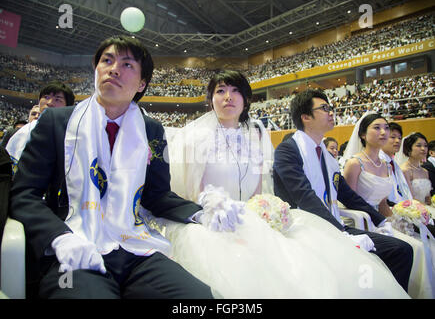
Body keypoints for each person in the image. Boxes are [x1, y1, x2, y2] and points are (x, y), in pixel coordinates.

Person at [165, 72, 408, 298]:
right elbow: (186, 189)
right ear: (211, 99)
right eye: (220, 91)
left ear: (246, 99)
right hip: (210, 222)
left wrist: (262, 212)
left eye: (235, 91)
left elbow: (259, 192)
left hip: (251, 218)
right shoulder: (193, 138)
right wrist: (213, 212)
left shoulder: (255, 136)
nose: (228, 97)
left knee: (306, 264)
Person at [9, 35, 213, 299]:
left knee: (198, 297)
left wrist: (201, 214)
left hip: (134, 248)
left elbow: (156, 194)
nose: (114, 68)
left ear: (142, 83)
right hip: (76, 249)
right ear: (96, 70)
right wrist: (59, 237)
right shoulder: (56, 122)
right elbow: (24, 194)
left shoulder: (151, 129)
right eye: (107, 60)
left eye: (127, 64)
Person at [273, 89, 413, 293]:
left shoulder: (326, 155)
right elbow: (304, 196)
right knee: (397, 251)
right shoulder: (288, 150)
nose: (331, 112)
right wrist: (340, 232)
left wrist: (382, 220)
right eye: (324, 108)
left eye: (331, 108)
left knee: (401, 249)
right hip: (305, 228)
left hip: (333, 224)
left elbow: (347, 195)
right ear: (305, 117)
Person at [342, 115, 435, 299]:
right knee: (413, 247)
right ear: (362, 134)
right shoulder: (355, 164)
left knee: (423, 239)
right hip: (365, 222)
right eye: (376, 128)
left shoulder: (385, 165)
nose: (383, 132)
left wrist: (400, 219)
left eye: (385, 127)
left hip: (384, 219)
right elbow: (349, 202)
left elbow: (384, 203)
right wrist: (381, 222)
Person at [6, 81, 75, 169]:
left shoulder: (74, 133)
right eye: (46, 97)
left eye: (57, 99)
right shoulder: (24, 132)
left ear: (68, 106)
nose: (49, 102)